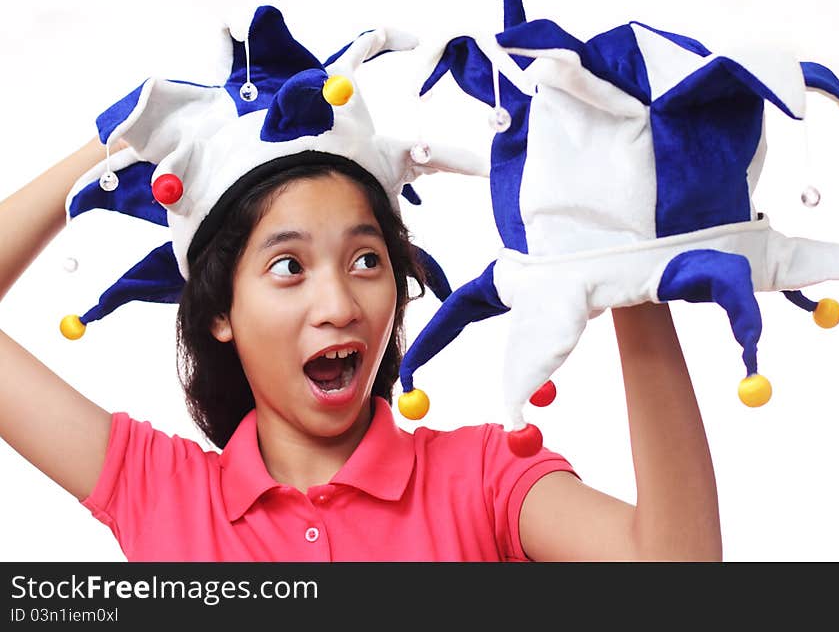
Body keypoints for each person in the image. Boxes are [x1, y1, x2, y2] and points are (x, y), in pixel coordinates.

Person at [0, 132, 721, 561]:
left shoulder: (482, 479)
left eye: (367, 260)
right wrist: (113, 146)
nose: (340, 305)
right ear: (220, 309)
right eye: (289, 267)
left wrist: (633, 277)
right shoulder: (161, 493)